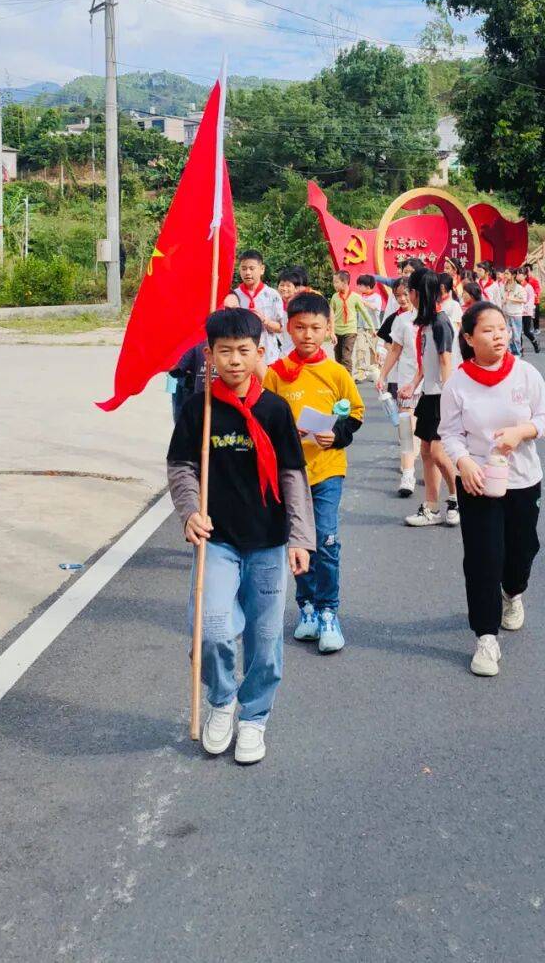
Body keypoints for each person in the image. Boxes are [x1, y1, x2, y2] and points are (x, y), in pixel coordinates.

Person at [167, 308, 314, 764]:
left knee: (266, 638)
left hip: (269, 543)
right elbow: (181, 467)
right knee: (211, 630)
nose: (233, 360)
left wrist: (300, 538)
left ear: (259, 352)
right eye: (224, 351)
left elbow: (292, 475)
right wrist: (190, 511)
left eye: (243, 351)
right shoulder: (199, 409)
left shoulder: (274, 409)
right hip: (219, 542)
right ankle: (222, 701)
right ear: (208, 355)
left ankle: (254, 717)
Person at [439, 300, 545, 677]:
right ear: (469, 338)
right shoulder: (457, 383)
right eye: (488, 330)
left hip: (523, 479)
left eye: (502, 329)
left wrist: (522, 431)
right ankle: (486, 638)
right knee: (482, 558)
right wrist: (464, 462)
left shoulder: (525, 374)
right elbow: (449, 434)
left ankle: (513, 592)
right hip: (477, 482)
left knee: (522, 549)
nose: (498, 336)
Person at [264, 292, 364, 654]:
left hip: (327, 470)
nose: (307, 334)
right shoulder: (275, 374)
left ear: (328, 330)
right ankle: (305, 607)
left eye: (316, 328)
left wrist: (335, 436)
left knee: (326, 540)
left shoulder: (336, 372)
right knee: (299, 544)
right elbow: (262, 418)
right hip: (289, 476)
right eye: (300, 327)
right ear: (288, 327)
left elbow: (355, 413)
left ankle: (328, 612)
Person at [400, 268, 460, 528]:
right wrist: (414, 384)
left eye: (408, 292)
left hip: (442, 396)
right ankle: (432, 507)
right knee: (425, 451)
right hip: (429, 393)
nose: (408, 297)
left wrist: (448, 399)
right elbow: (429, 361)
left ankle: (458, 498)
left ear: (415, 293)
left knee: (437, 451)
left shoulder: (440, 322)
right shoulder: (425, 324)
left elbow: (446, 360)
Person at [376, 279, 422, 496]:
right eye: (399, 296)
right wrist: (383, 375)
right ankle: (408, 474)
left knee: (424, 429)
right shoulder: (401, 321)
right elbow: (394, 350)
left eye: (406, 294)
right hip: (405, 380)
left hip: (430, 383)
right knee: (406, 426)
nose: (403, 299)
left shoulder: (437, 319)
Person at [233, 250, 285, 365]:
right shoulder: (233, 296)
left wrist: (264, 320)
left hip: (268, 356)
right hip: (242, 358)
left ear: (262, 269)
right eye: (243, 268)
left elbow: (281, 327)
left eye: (252, 268)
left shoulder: (273, 295)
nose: (247, 273)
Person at [329, 269, 375, 372]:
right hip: (337, 331)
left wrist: (372, 327)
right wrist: (331, 331)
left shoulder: (355, 297)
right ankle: (340, 379)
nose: (334, 285)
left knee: (346, 357)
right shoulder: (334, 297)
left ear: (345, 283)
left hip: (350, 331)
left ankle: (348, 381)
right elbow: (331, 314)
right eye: (334, 282)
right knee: (338, 358)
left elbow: (364, 312)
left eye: (336, 282)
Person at [501, 267, 528, 356]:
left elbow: (524, 300)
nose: (505, 275)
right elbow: (501, 298)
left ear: (513, 275)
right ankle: (508, 352)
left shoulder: (519, 288)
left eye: (507, 273)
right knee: (506, 334)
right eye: (505, 273)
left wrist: (511, 298)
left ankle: (517, 353)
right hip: (505, 313)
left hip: (516, 314)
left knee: (516, 335)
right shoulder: (502, 286)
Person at [517, 266, 541, 353]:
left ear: (524, 276)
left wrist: (525, 308)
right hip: (518, 312)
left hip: (526, 312)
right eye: (517, 274)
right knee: (518, 331)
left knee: (526, 331)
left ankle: (535, 343)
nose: (517, 276)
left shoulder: (528, 287)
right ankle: (520, 349)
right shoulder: (516, 286)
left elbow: (531, 300)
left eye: (520, 274)